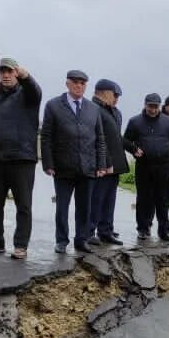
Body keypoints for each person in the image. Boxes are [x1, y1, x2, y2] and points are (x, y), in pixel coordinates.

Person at [0, 57, 41, 260]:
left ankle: (21, 245)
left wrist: (26, 77)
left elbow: (36, 91)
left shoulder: (27, 95)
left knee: (23, 205)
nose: (5, 75)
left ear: (16, 73)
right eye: (2, 71)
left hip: (22, 160)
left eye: (9, 71)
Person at [40, 70, 108, 254]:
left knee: (84, 207)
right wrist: (48, 162)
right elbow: (46, 136)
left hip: (88, 167)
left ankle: (81, 239)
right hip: (63, 167)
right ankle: (61, 240)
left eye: (82, 83)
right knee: (62, 206)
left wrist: (101, 164)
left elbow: (100, 139)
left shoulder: (93, 109)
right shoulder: (53, 105)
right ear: (67, 84)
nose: (79, 86)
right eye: (75, 82)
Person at [123, 92, 169, 242]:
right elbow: (125, 140)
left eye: (156, 107)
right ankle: (143, 229)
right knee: (143, 198)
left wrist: (166, 154)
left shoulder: (168, 122)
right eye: (150, 106)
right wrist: (134, 149)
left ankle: (163, 231)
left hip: (163, 166)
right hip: (144, 166)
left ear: (159, 106)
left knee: (162, 199)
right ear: (145, 105)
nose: (153, 109)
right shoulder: (135, 121)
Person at [87, 78, 126, 246]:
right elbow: (94, 139)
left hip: (114, 165)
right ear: (102, 92)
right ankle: (89, 231)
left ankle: (106, 230)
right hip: (101, 164)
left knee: (109, 200)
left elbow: (117, 137)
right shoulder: (93, 109)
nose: (116, 98)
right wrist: (103, 162)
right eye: (114, 95)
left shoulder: (113, 111)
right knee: (96, 199)